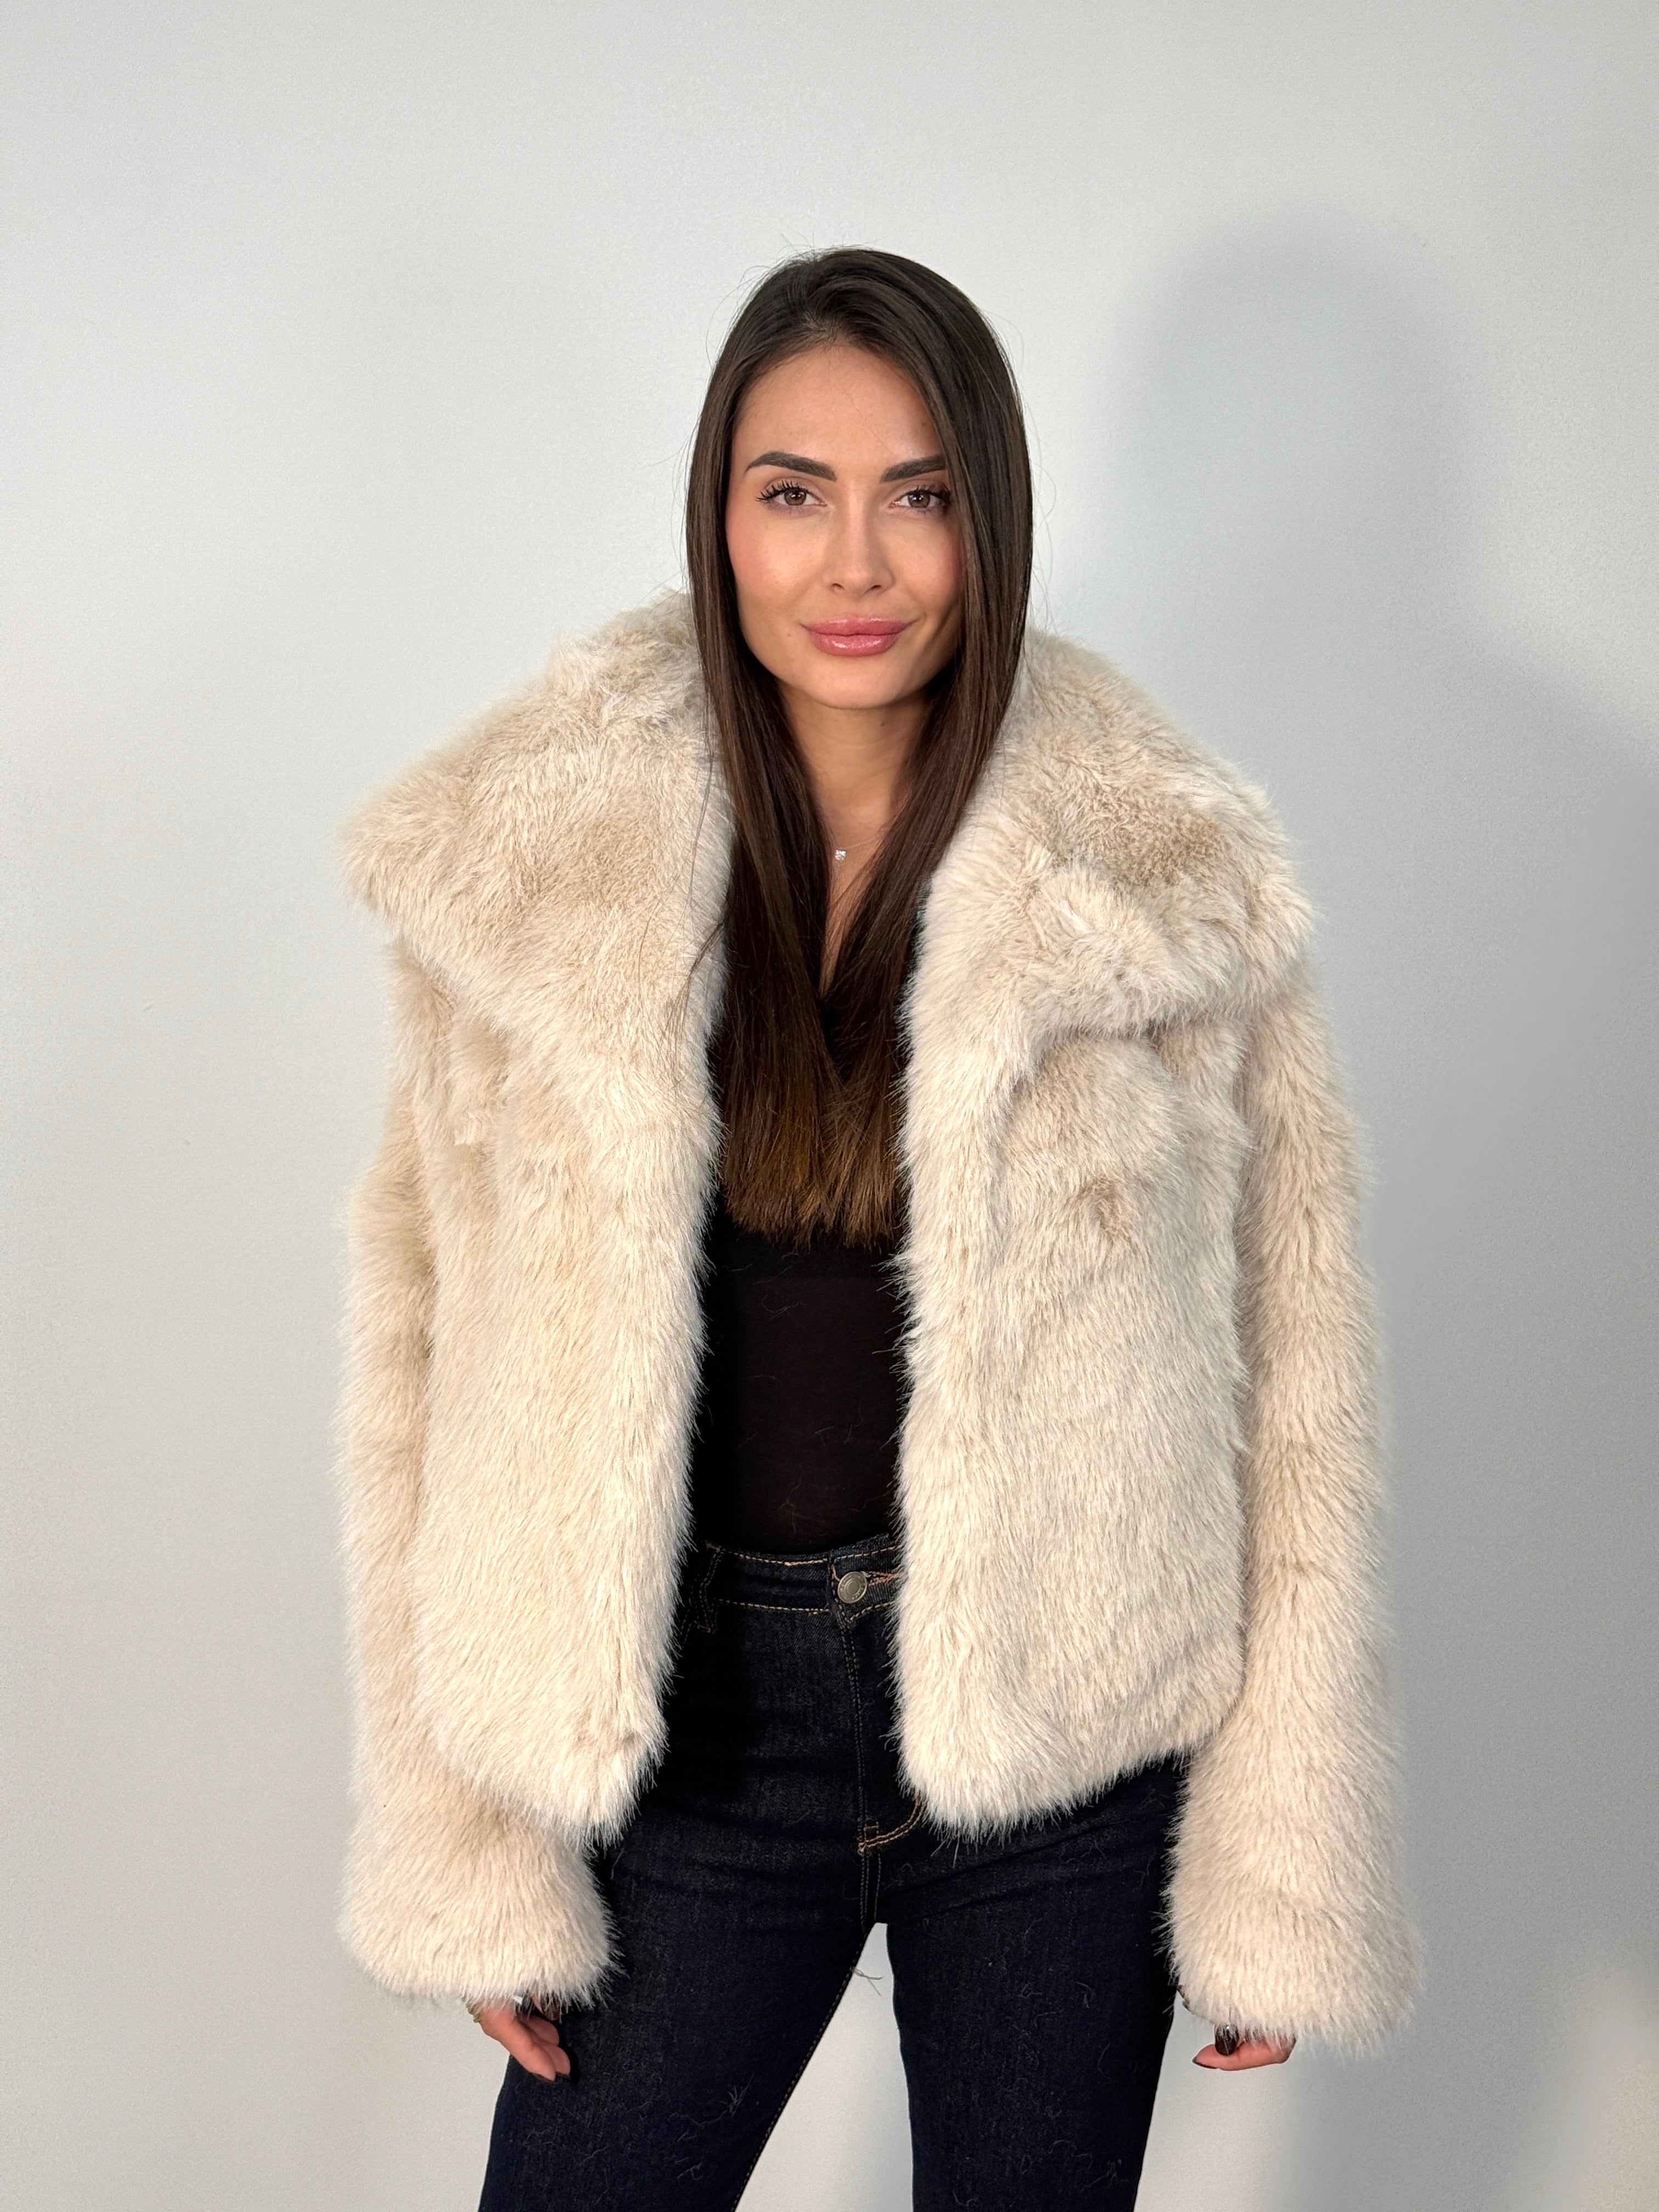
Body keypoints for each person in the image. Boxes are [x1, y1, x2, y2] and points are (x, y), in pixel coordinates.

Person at [335, 247, 1418, 2209]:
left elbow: (1299, 1369)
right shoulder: (538, 863)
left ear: (990, 516)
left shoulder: (1158, 870)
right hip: (686, 1730)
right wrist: (463, 1838)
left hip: (1064, 1745)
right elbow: (421, 1342)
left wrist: (1278, 1859)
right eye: (794, 492)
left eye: (919, 495)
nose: (857, 563)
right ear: (719, 513)